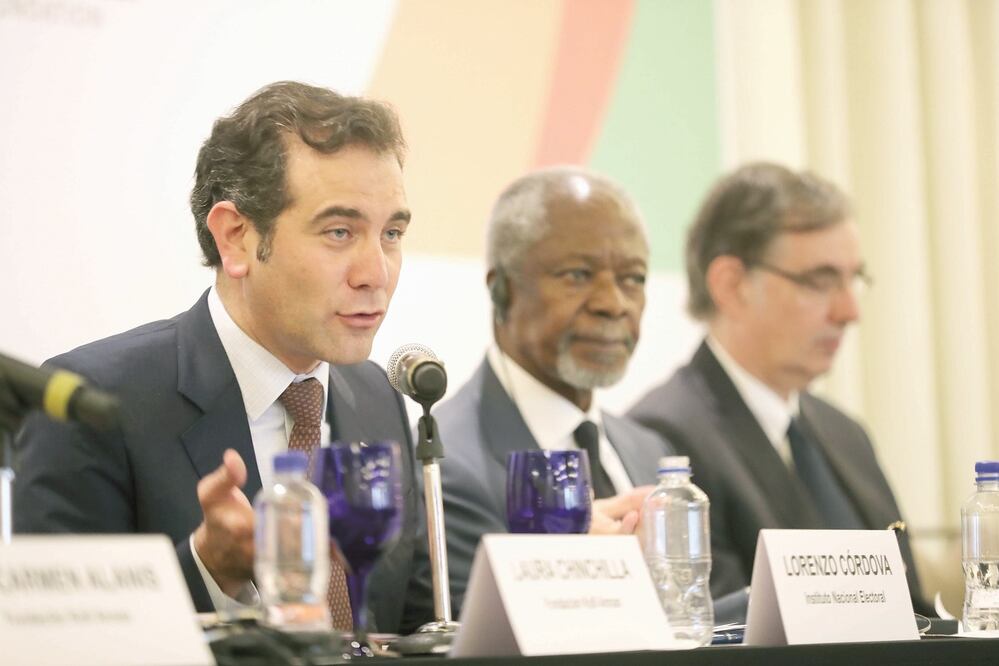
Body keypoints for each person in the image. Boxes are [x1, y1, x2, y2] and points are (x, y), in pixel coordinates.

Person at [14, 81, 420, 633]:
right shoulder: (91, 403)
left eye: (391, 233)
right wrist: (209, 570)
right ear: (235, 238)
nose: (376, 273)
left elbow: (414, 624)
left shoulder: (378, 397)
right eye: (340, 231)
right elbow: (60, 640)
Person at [628, 162, 928, 612]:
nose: (849, 311)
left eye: (853, 280)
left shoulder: (845, 434)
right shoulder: (665, 439)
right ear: (731, 285)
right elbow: (718, 625)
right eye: (821, 281)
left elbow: (911, 610)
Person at [401, 166, 674, 628]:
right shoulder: (443, 466)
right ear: (502, 290)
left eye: (633, 278)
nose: (613, 302)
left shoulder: (651, 452)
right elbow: (482, 644)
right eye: (578, 275)